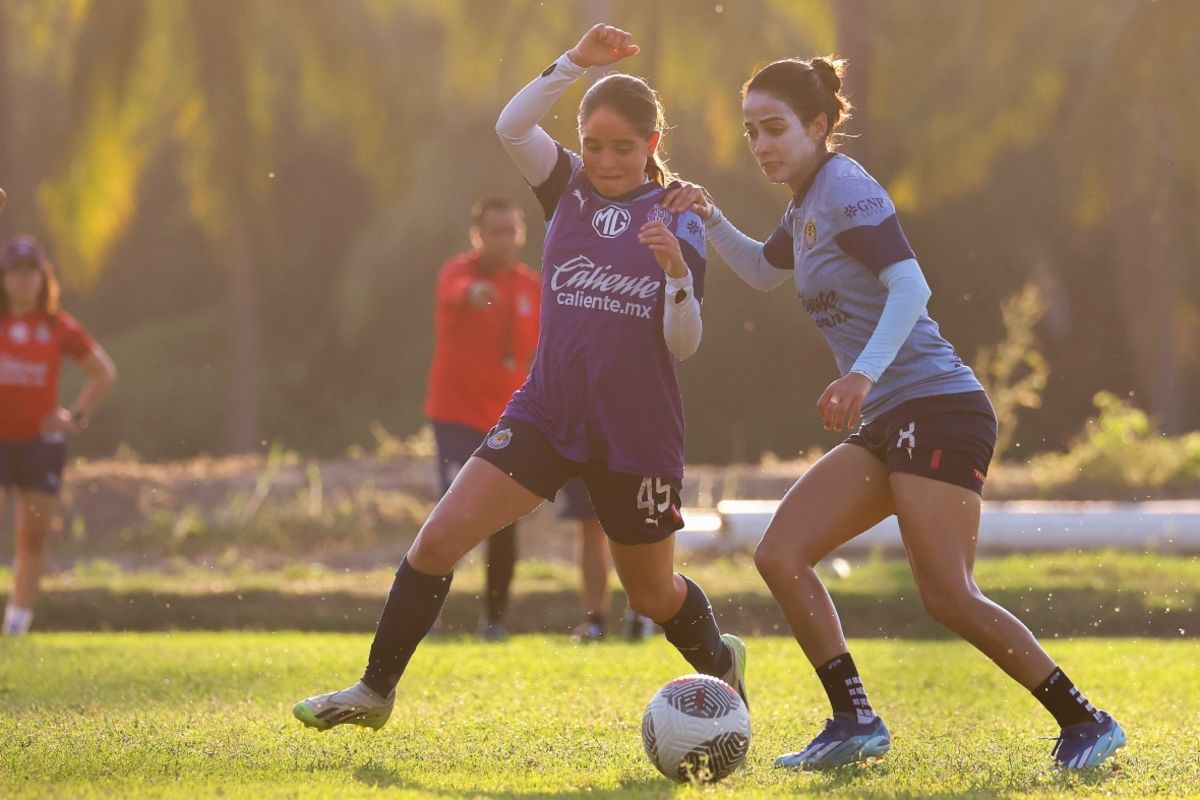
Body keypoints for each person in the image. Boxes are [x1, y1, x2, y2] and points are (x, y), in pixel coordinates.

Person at [662, 57, 1123, 770]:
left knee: (946, 594)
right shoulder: (805, 203)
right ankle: (854, 721)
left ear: (819, 127)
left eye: (776, 128)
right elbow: (760, 270)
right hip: (892, 416)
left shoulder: (843, 188)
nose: (761, 145)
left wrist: (860, 374)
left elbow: (911, 288)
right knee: (781, 554)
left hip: (939, 409)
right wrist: (708, 213)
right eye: (753, 132)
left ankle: (1085, 719)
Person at [293, 24, 745, 732]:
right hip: (546, 413)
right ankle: (374, 692)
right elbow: (510, 125)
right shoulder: (566, 186)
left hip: (636, 432)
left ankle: (719, 665)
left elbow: (684, 346)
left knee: (654, 595)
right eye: (593, 145)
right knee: (437, 542)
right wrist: (573, 64)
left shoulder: (678, 216)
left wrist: (677, 274)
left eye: (623, 147)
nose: (604, 159)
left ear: (653, 145)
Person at [425, 197, 540, 640]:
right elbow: (455, 292)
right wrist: (475, 294)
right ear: (478, 235)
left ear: (522, 232)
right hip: (455, 416)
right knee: (451, 516)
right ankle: (430, 616)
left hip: (507, 422)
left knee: (502, 518)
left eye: (512, 230)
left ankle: (494, 620)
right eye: (495, 231)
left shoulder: (531, 287)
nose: (505, 239)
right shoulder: (459, 273)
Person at [0, 235, 117, 635]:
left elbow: (103, 372)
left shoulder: (57, 326)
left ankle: (16, 625)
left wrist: (76, 416)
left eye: (31, 271)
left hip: (40, 444)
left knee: (32, 536)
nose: (23, 280)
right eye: (15, 271)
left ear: (43, 277)